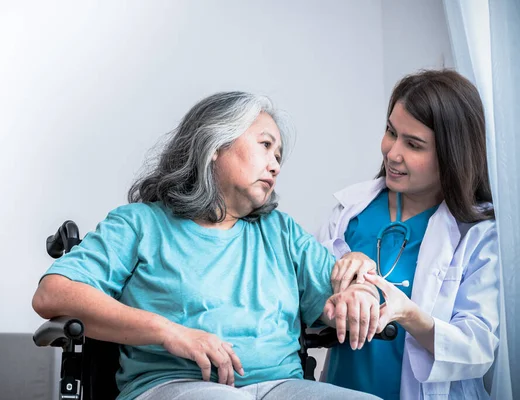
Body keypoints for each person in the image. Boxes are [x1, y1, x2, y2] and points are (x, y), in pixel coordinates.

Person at [32, 92, 382, 400]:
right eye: (265, 145)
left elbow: (346, 297)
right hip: (170, 384)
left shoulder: (281, 232)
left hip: (281, 386)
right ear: (215, 145)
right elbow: (52, 294)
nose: (275, 164)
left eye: (279, 155)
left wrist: (359, 291)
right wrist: (169, 332)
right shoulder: (140, 225)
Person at [317, 69, 500, 399]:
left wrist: (408, 314)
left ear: (452, 154)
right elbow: (307, 305)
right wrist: (333, 284)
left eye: (413, 144)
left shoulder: (478, 234)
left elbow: (478, 348)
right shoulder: (350, 212)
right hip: (342, 389)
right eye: (391, 131)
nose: (392, 152)